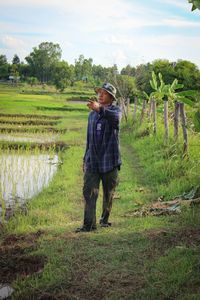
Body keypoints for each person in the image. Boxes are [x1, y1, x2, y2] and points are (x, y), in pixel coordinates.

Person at [76, 82, 122, 232]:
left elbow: (115, 119)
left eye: (104, 93)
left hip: (110, 161)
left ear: (111, 97)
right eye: (99, 92)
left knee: (109, 193)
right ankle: (89, 225)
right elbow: (89, 139)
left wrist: (99, 108)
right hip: (93, 161)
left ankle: (104, 220)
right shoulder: (91, 115)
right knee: (89, 192)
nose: (100, 95)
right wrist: (85, 158)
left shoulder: (115, 111)